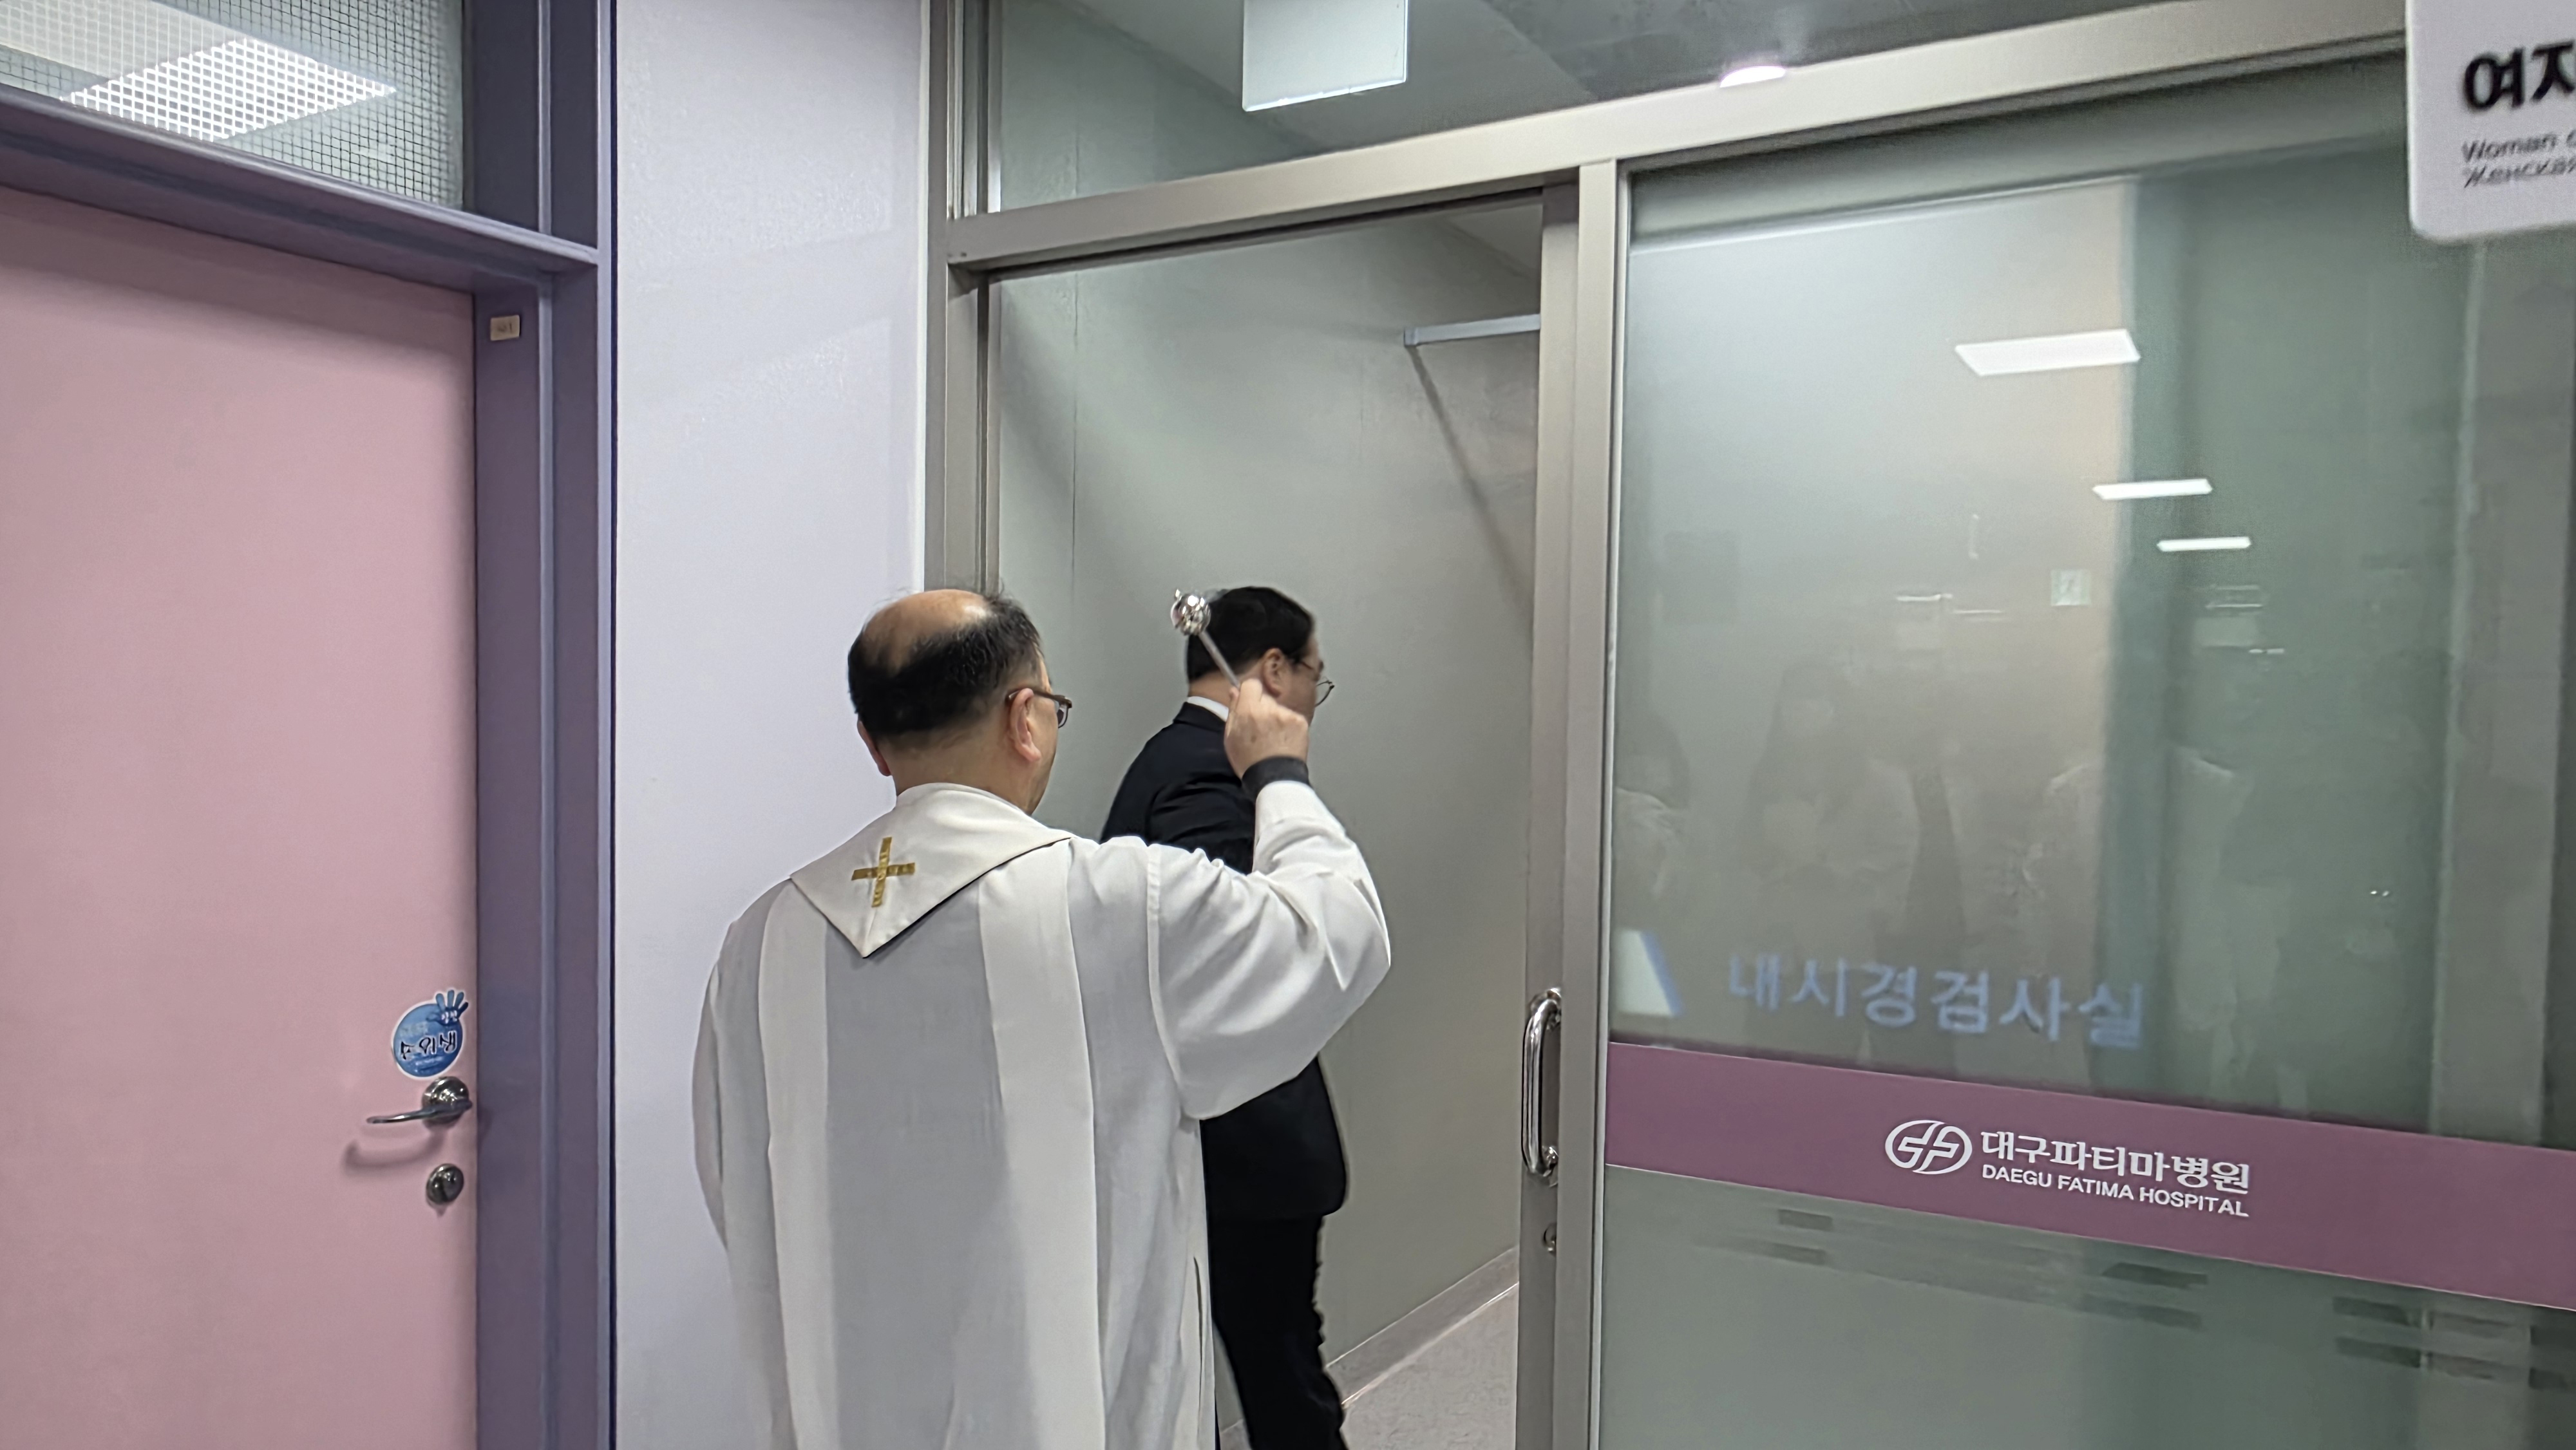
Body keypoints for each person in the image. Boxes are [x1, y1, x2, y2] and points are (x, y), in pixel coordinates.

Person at [692, 590, 1391, 1449]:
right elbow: (1336, 933)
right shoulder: (1120, 904)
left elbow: (739, 1185)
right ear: (1025, 719)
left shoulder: (759, 948)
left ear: (872, 743)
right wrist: (1279, 773)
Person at [1102, 586, 1350, 1450]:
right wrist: (1283, 780)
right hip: (1242, 1154)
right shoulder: (1209, 772)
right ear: (1274, 669)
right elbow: (1241, 965)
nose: (1315, 697)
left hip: (1204, 1149)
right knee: (1284, 1382)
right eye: (1315, 674)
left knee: (1203, 1375)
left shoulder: (1163, 759)